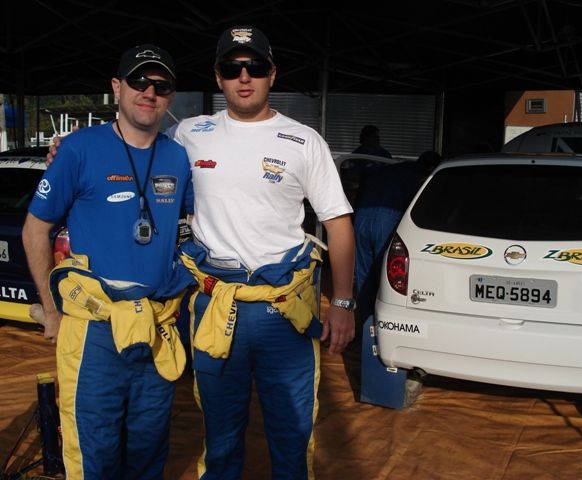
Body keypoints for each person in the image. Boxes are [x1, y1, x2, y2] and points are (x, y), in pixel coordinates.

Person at [168, 25, 356, 479]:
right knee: (221, 437)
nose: (244, 77)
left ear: (273, 73)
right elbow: (130, 146)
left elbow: (338, 222)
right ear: (218, 77)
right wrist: (68, 149)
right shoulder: (189, 134)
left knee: (291, 438)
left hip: (283, 311)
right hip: (216, 306)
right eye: (233, 68)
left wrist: (344, 302)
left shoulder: (303, 141)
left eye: (254, 67)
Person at [23, 44, 193, 480]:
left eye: (161, 85)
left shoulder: (178, 157)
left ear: (171, 96)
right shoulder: (78, 149)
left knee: (148, 454)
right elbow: (34, 229)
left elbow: (191, 226)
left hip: (155, 327)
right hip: (94, 335)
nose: (148, 92)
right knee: (93, 456)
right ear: (116, 88)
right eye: (138, 81)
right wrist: (52, 310)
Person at [354, 150, 441, 321]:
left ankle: (365, 323)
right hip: (387, 219)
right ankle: (379, 324)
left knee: (363, 273)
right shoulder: (420, 177)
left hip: (362, 217)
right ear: (431, 167)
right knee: (385, 275)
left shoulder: (389, 169)